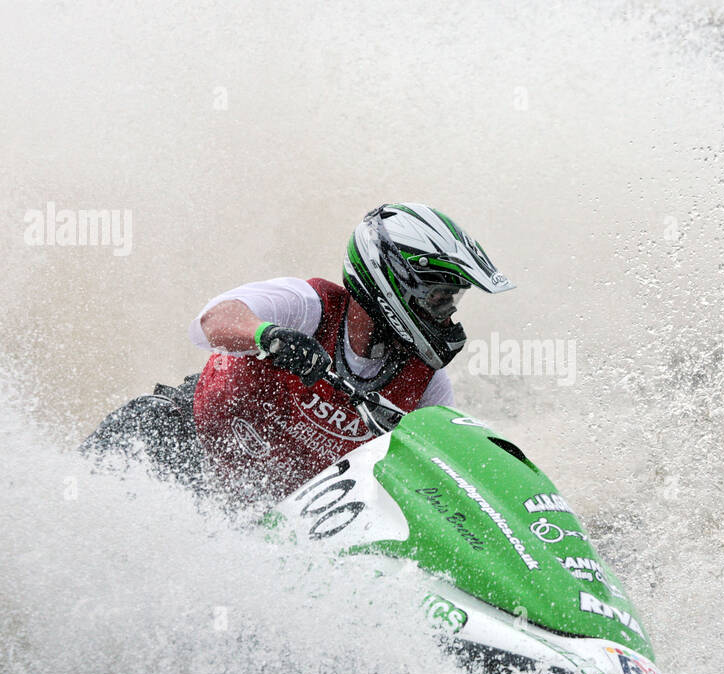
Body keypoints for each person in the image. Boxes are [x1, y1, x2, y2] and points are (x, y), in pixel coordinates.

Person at [181, 202, 513, 504]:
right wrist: (269, 337)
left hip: (267, 515)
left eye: (451, 303)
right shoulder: (309, 306)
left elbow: (444, 473)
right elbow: (211, 322)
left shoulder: (426, 384)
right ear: (392, 280)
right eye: (439, 299)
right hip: (183, 443)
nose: (447, 317)